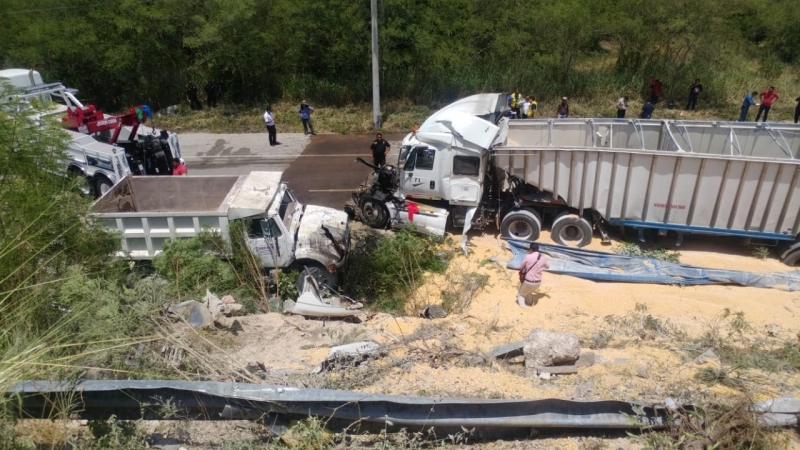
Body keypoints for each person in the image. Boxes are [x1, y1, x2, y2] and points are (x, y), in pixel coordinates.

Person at [517, 242, 550, 308]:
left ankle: (522, 308)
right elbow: (547, 267)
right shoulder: (543, 258)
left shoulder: (528, 256)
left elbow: (520, 267)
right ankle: (529, 303)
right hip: (538, 283)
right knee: (529, 292)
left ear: (531, 249)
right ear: (538, 249)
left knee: (521, 295)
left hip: (528, 281)